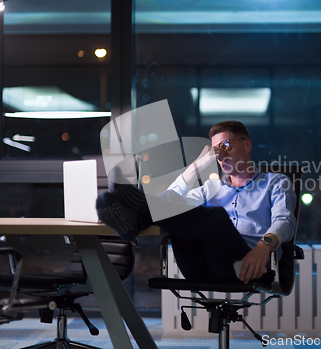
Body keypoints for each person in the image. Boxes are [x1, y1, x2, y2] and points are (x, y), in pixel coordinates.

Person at [96, 120, 296, 285]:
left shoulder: (275, 182)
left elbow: (285, 220)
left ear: (247, 144)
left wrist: (264, 245)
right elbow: (169, 200)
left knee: (217, 216)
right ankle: (137, 217)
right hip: (199, 265)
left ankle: (137, 220)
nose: (220, 155)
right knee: (180, 210)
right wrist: (195, 166)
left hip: (247, 266)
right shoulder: (212, 186)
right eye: (216, 151)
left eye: (225, 146)